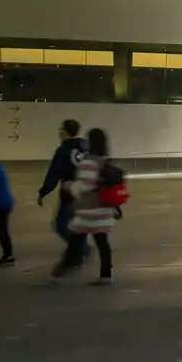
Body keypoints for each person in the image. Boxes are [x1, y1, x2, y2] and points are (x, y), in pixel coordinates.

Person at [56, 126, 118, 283]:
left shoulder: (89, 161)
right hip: (104, 208)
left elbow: (86, 185)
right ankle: (106, 274)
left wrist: (69, 185)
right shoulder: (105, 160)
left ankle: (63, 269)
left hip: (89, 210)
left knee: (76, 239)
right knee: (102, 242)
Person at [40, 120, 87, 270]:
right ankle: (79, 254)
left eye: (61, 130)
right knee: (79, 225)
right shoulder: (86, 148)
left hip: (70, 194)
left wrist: (44, 191)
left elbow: (54, 173)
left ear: (65, 132)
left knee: (61, 225)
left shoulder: (63, 151)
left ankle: (80, 250)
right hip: (85, 193)